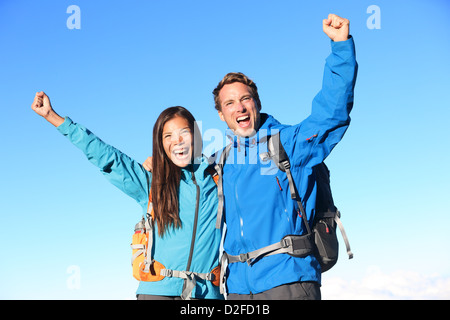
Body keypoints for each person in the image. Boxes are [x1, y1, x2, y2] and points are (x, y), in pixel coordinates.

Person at [211, 14, 358, 300]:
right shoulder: (220, 162)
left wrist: (340, 48)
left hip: (289, 279)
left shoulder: (288, 143)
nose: (239, 107)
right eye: (229, 103)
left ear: (257, 103)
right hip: (238, 289)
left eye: (245, 99)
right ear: (221, 115)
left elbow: (331, 112)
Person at [31, 94, 223, 300]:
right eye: (168, 136)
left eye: (184, 132)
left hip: (206, 295)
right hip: (156, 293)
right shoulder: (150, 181)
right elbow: (107, 156)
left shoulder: (218, 180)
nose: (177, 141)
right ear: (161, 144)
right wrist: (53, 117)